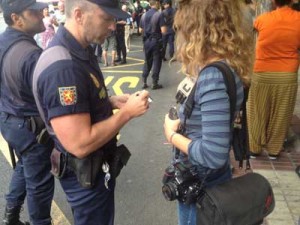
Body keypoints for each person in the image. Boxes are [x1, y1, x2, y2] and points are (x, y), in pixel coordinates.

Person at [32, 0, 150, 225]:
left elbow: (84, 99)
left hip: (95, 169)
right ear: (79, 15)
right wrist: (127, 114)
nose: (112, 26)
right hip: (86, 174)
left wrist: (110, 101)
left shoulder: (79, 49)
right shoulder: (64, 69)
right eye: (106, 18)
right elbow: (79, 143)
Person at [163, 0, 253, 224]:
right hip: (210, 178)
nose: (180, 34)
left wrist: (172, 135)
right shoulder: (226, 66)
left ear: (197, 28)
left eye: (183, 27)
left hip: (200, 184)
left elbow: (212, 154)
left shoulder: (212, 76)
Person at [0, 0, 55, 225]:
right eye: (33, 11)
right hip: (30, 128)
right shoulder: (31, 55)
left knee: (24, 166)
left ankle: (10, 216)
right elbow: (50, 100)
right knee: (40, 184)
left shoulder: (3, 41)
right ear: (16, 18)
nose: (41, 14)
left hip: (9, 120)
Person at [247, 0, 300, 160]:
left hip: (262, 71)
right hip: (287, 74)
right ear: (292, 1)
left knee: (256, 111)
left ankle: (254, 149)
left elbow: (250, 34)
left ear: (273, 2)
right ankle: (273, 150)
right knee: (281, 113)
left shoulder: (263, 19)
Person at [140, 0, 167, 90]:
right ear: (156, 3)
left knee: (147, 61)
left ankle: (144, 81)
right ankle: (154, 83)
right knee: (157, 61)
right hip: (156, 41)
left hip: (146, 41)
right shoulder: (159, 14)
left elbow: (140, 30)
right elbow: (163, 31)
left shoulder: (144, 15)